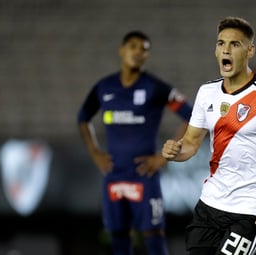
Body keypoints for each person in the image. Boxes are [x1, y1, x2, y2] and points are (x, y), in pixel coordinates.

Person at [161, 17, 256, 255]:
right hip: (209, 205)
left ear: (250, 50)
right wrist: (175, 152)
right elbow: (190, 143)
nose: (226, 50)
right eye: (221, 43)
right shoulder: (207, 92)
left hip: (249, 212)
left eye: (235, 44)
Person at [77, 30, 193, 255]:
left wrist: (163, 157)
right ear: (121, 50)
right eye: (133, 46)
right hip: (114, 175)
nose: (138, 52)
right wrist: (94, 152)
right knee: (119, 238)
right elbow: (83, 118)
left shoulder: (155, 87)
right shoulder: (105, 87)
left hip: (144, 175)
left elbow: (193, 116)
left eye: (144, 49)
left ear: (147, 56)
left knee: (154, 238)